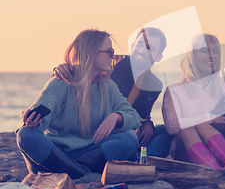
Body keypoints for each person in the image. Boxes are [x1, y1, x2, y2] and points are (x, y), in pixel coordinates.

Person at [17, 29, 141, 179]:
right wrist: (31, 121)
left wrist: (116, 116)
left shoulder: (108, 86)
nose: (113, 56)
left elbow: (134, 118)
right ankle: (82, 173)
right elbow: (35, 126)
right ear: (92, 53)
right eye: (109, 52)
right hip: (57, 152)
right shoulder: (61, 82)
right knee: (26, 134)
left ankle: (73, 170)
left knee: (129, 138)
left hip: (90, 152)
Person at [53, 27, 174, 158]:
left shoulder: (155, 85)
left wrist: (147, 123)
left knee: (166, 132)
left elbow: (141, 114)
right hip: (97, 129)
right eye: (140, 44)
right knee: (127, 138)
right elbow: (82, 68)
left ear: (159, 57)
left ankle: (136, 156)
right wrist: (62, 68)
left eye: (150, 48)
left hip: (123, 126)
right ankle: (130, 156)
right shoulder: (110, 63)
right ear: (132, 45)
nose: (142, 50)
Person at [162, 33, 225, 169]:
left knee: (198, 126)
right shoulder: (175, 90)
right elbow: (172, 126)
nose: (211, 55)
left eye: (215, 51)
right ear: (192, 56)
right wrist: (209, 118)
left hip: (219, 145)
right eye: (204, 51)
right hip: (186, 152)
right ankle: (217, 171)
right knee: (187, 130)